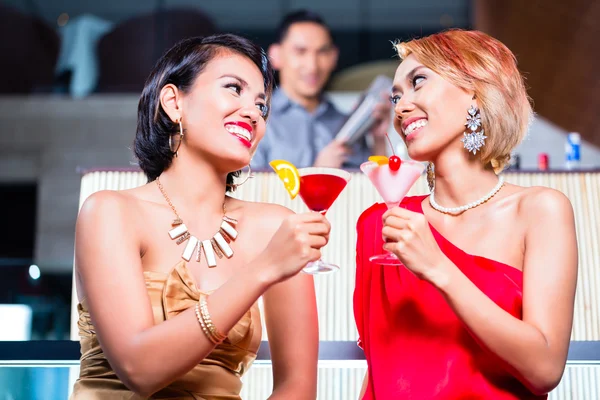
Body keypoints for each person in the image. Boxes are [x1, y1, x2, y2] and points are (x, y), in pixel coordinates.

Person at [71, 34, 329, 399]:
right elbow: (139, 370)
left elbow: (297, 388)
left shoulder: (278, 228)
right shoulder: (110, 212)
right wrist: (263, 269)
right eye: (233, 89)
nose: (253, 113)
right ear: (174, 103)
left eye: (262, 105)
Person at [354, 29, 578, 399]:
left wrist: (438, 268)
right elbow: (381, 368)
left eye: (418, 82)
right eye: (396, 96)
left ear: (474, 91)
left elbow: (545, 369)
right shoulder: (381, 224)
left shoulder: (540, 210)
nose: (401, 106)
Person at [251, 10, 390, 170]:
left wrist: (379, 139)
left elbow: (374, 191)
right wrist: (319, 174)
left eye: (322, 52)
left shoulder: (346, 124)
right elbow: (249, 189)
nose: (312, 66)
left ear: (333, 57)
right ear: (276, 56)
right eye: (300, 51)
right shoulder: (258, 121)